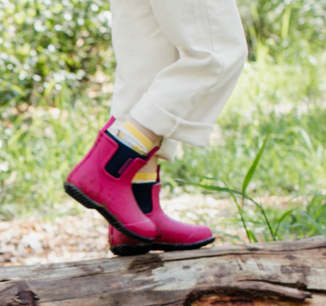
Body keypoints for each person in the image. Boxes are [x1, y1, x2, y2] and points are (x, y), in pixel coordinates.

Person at [64, 0, 248, 255]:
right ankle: (110, 166)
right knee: (217, 53)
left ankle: (140, 206)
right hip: (108, 166)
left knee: (146, 62)